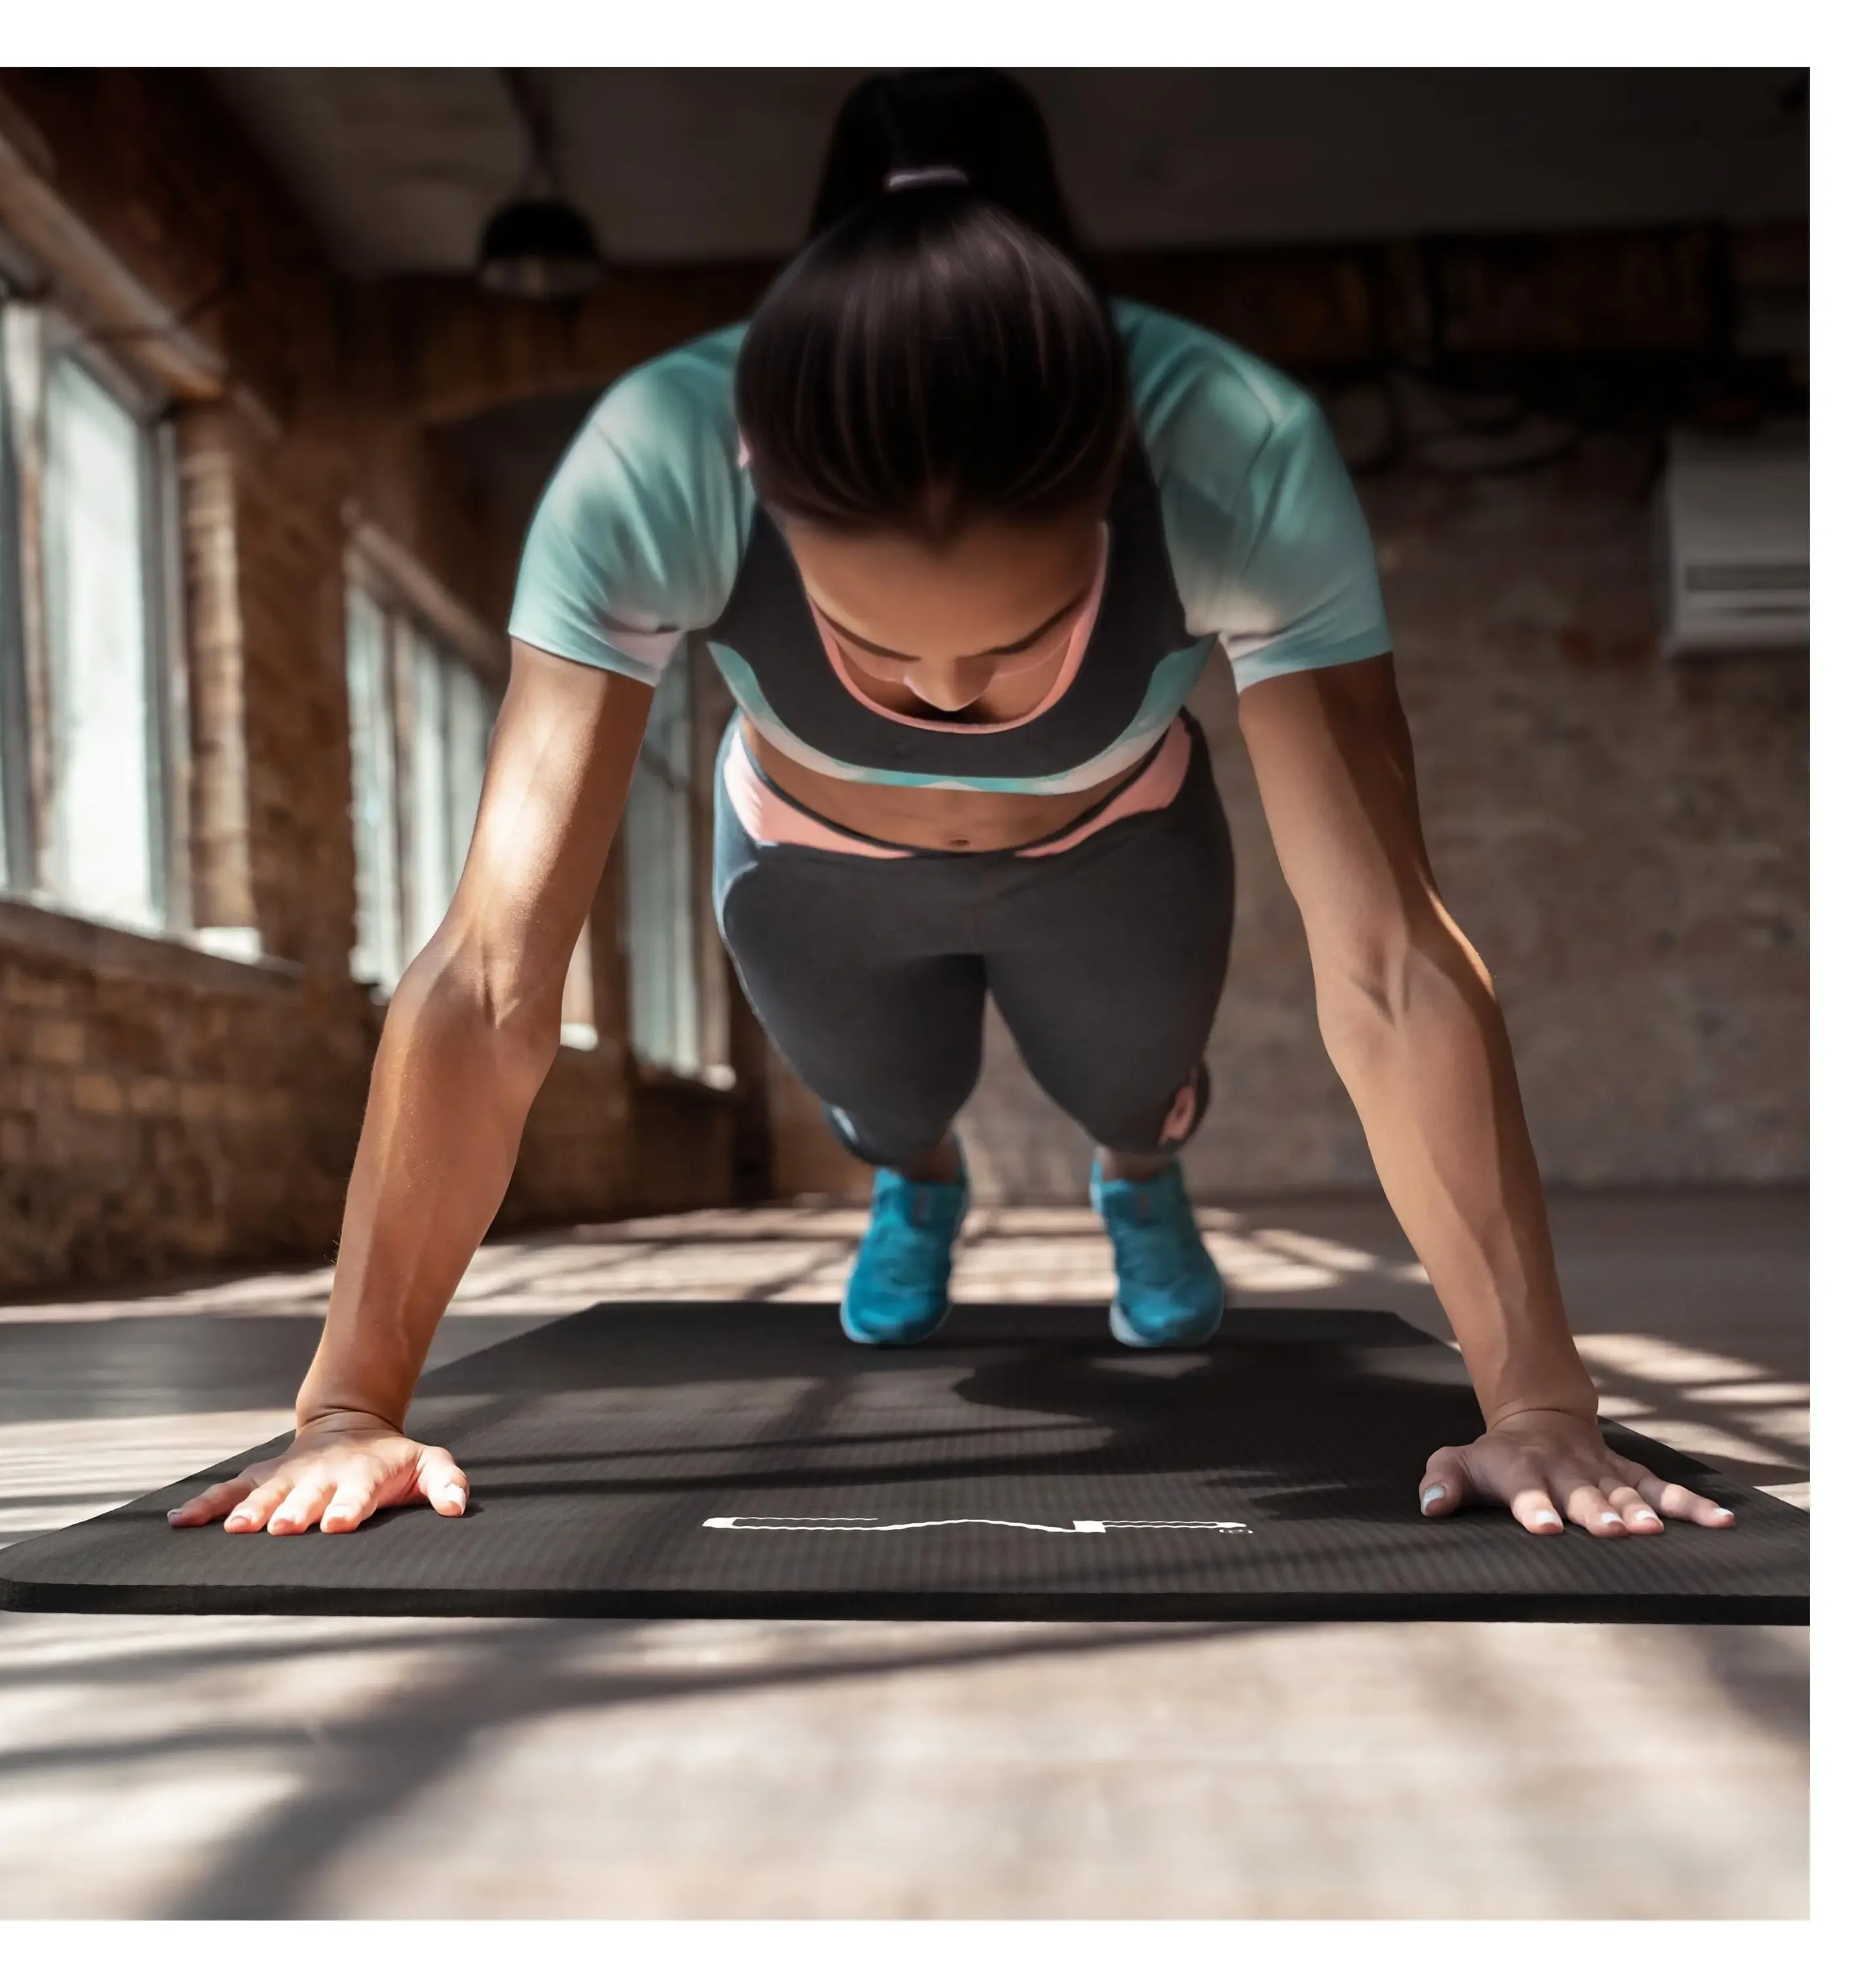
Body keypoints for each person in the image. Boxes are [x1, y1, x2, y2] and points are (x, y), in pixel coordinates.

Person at [169, 71, 1734, 1547]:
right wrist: (346, 1405)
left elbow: (1393, 961)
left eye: (1013, 641)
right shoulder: (657, 460)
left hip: (1114, 849)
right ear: (758, 473)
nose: (942, 692)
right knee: (891, 1105)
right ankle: (916, 1184)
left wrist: (1541, 1400)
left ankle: (1138, 1172)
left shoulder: (1234, 452)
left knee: (1130, 1088)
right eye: (874, 642)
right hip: (811, 871)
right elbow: (494, 966)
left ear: (1122, 481)